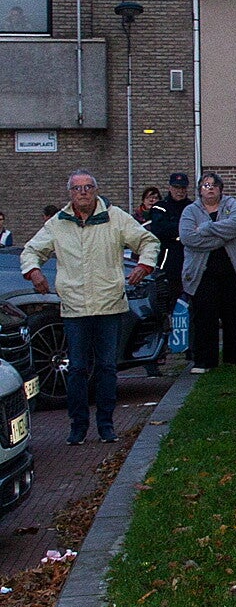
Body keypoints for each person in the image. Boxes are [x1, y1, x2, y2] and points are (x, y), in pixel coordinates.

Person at [19, 170, 161, 444]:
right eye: (77, 188)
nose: (82, 192)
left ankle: (106, 426)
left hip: (109, 305)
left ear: (95, 191)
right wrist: (34, 272)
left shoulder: (115, 217)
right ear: (70, 193)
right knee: (77, 369)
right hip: (75, 308)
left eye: (87, 187)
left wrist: (144, 266)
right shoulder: (58, 223)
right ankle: (78, 427)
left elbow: (148, 241)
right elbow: (31, 250)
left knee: (107, 368)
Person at [180, 173, 236, 373]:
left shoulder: (231, 205)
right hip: (202, 275)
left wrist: (206, 228)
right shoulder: (190, 211)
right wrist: (222, 238)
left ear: (220, 188)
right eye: (205, 185)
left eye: (213, 185)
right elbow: (188, 238)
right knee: (205, 317)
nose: (210, 188)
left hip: (232, 272)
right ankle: (204, 361)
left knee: (233, 316)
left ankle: (234, 358)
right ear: (200, 190)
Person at [145, 172, 195, 303]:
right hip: (168, 257)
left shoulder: (193, 207)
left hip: (189, 254)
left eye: (183, 188)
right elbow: (159, 230)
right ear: (170, 188)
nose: (180, 191)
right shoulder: (160, 207)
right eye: (176, 187)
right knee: (169, 295)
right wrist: (184, 228)